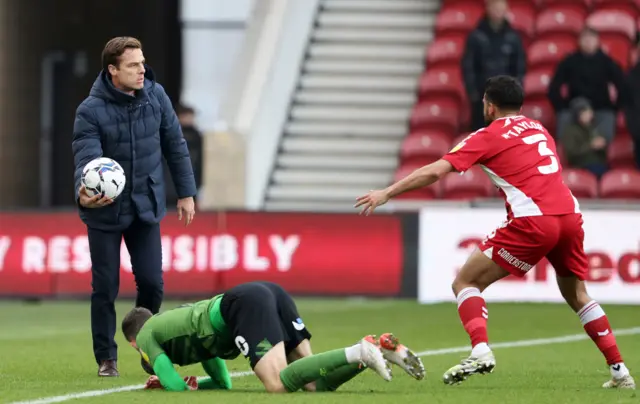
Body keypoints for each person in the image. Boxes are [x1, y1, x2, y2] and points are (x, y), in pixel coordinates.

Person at [355, 76, 635, 390]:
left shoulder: (487, 136)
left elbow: (436, 170)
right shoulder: (538, 128)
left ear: (489, 105)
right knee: (578, 295)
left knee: (465, 281)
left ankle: (480, 350)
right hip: (570, 216)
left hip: (533, 219)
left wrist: (388, 192)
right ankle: (620, 372)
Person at [72, 36, 197, 377]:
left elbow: (175, 144)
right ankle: (106, 358)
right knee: (105, 287)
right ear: (112, 70)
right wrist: (83, 190)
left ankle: (147, 346)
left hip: (146, 205)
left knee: (152, 283)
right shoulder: (90, 110)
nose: (143, 70)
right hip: (105, 212)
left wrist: (186, 192)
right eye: (133, 65)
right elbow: (86, 158)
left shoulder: (155, 96)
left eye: (142, 62)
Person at [121, 281, 425, 392]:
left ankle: (360, 352)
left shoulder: (147, 333)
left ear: (134, 343)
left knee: (278, 384)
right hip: (267, 292)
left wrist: (169, 384)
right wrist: (197, 384)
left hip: (243, 304)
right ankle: (373, 349)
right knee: (313, 380)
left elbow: (170, 382)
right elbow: (223, 382)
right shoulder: (190, 339)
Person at [548, 27, 627, 141]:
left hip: (601, 109)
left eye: (591, 38)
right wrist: (562, 107)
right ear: (579, 41)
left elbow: (622, 86)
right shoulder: (569, 61)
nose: (588, 41)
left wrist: (614, 109)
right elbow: (554, 87)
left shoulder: (607, 62)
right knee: (564, 119)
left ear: (597, 41)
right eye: (585, 38)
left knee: (606, 124)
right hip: (574, 108)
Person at [461, 0, 526, 131]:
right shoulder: (476, 36)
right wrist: (473, 94)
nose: (498, 10)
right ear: (488, 8)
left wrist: (515, 93)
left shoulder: (513, 37)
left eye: (501, 7)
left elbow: (520, 67)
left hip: (506, 98)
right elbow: (468, 67)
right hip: (482, 97)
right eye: (495, 7)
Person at [560, 97, 609, 178]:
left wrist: (602, 145)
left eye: (590, 112)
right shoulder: (570, 131)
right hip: (581, 165)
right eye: (586, 112)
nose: (590, 115)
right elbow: (571, 153)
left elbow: (603, 152)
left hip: (599, 164)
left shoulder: (592, 128)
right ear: (578, 114)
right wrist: (591, 146)